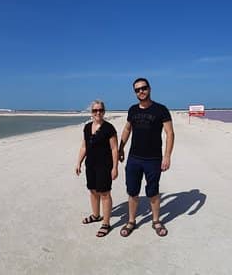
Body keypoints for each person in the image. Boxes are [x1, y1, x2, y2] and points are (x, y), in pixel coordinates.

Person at [118, 78, 174, 237]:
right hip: (134, 158)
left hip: (154, 159)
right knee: (132, 191)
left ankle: (156, 221)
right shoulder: (132, 110)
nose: (140, 91)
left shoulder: (161, 109)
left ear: (149, 88)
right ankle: (131, 221)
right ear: (134, 92)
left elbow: (170, 133)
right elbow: (127, 129)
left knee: (153, 191)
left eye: (143, 88)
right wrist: (121, 148)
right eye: (137, 90)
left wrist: (167, 156)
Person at [74, 99, 119, 237]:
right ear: (91, 112)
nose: (97, 112)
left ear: (104, 111)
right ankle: (96, 215)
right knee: (93, 191)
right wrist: (79, 162)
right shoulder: (87, 127)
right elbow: (84, 146)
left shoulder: (109, 128)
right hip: (90, 165)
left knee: (104, 193)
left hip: (104, 166)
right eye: (95, 110)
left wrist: (115, 167)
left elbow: (114, 149)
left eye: (100, 110)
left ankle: (106, 223)